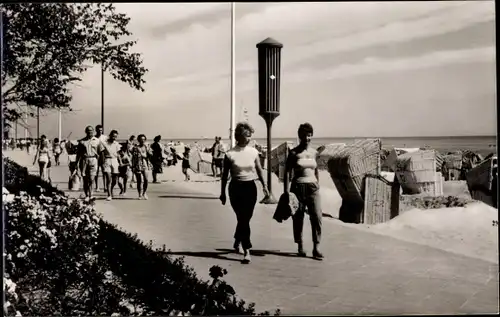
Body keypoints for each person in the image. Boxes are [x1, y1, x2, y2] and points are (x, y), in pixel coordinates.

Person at [220, 122, 268, 263]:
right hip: (235, 188)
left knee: (245, 218)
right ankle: (247, 250)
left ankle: (237, 240)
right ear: (239, 136)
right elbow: (224, 176)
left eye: (250, 136)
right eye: (247, 136)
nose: (250, 138)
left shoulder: (253, 152)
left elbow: (259, 170)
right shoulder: (229, 154)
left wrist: (265, 186)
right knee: (242, 218)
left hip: (250, 187)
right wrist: (222, 193)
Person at [285, 123, 324, 260]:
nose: (307, 138)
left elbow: (316, 169)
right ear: (300, 136)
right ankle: (300, 245)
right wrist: (286, 193)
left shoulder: (314, 153)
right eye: (304, 136)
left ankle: (316, 247)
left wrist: (318, 184)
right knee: (298, 217)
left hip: (313, 188)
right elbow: (287, 173)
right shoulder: (293, 153)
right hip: (297, 188)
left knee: (317, 217)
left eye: (309, 135)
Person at [76, 126, 101, 200]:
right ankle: (87, 194)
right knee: (85, 179)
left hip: (93, 160)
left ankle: (91, 194)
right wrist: (76, 163)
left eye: (91, 131)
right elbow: (78, 153)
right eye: (88, 131)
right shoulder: (82, 141)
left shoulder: (97, 141)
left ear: (93, 131)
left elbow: (100, 151)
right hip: (84, 160)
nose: (90, 132)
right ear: (86, 132)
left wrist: (100, 160)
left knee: (92, 178)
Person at [99, 130, 122, 201]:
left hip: (115, 161)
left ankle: (111, 189)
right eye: (113, 136)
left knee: (115, 180)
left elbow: (118, 154)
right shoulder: (104, 143)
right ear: (110, 135)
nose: (114, 138)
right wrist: (102, 164)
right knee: (109, 179)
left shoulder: (116, 144)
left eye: (115, 137)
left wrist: (120, 162)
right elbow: (102, 154)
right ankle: (109, 195)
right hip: (107, 161)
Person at [131, 134, 152, 200]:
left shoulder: (146, 147)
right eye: (141, 139)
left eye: (143, 139)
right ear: (138, 140)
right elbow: (133, 157)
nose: (142, 141)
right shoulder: (135, 147)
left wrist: (148, 151)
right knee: (139, 180)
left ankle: (144, 192)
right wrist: (133, 166)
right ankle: (139, 193)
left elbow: (149, 155)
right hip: (137, 164)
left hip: (145, 164)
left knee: (146, 179)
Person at [94, 124, 108, 192]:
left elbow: (107, 147)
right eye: (99, 130)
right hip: (96, 155)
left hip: (103, 155)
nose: (100, 131)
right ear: (96, 130)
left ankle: (105, 186)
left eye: (101, 130)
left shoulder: (105, 137)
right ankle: (97, 187)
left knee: (104, 171)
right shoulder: (94, 138)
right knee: (96, 172)